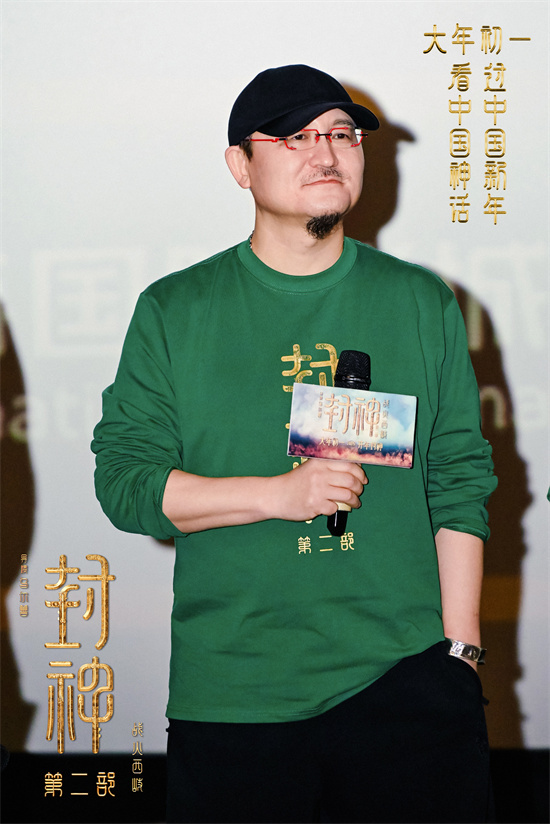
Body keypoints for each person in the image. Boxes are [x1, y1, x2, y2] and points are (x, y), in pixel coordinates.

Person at [92, 64, 498, 823]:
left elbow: (459, 477)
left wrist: (461, 652)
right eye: (294, 137)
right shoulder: (177, 309)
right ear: (240, 165)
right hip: (238, 695)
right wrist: (279, 496)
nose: (326, 152)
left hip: (409, 684)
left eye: (342, 134)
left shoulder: (417, 300)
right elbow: (125, 484)